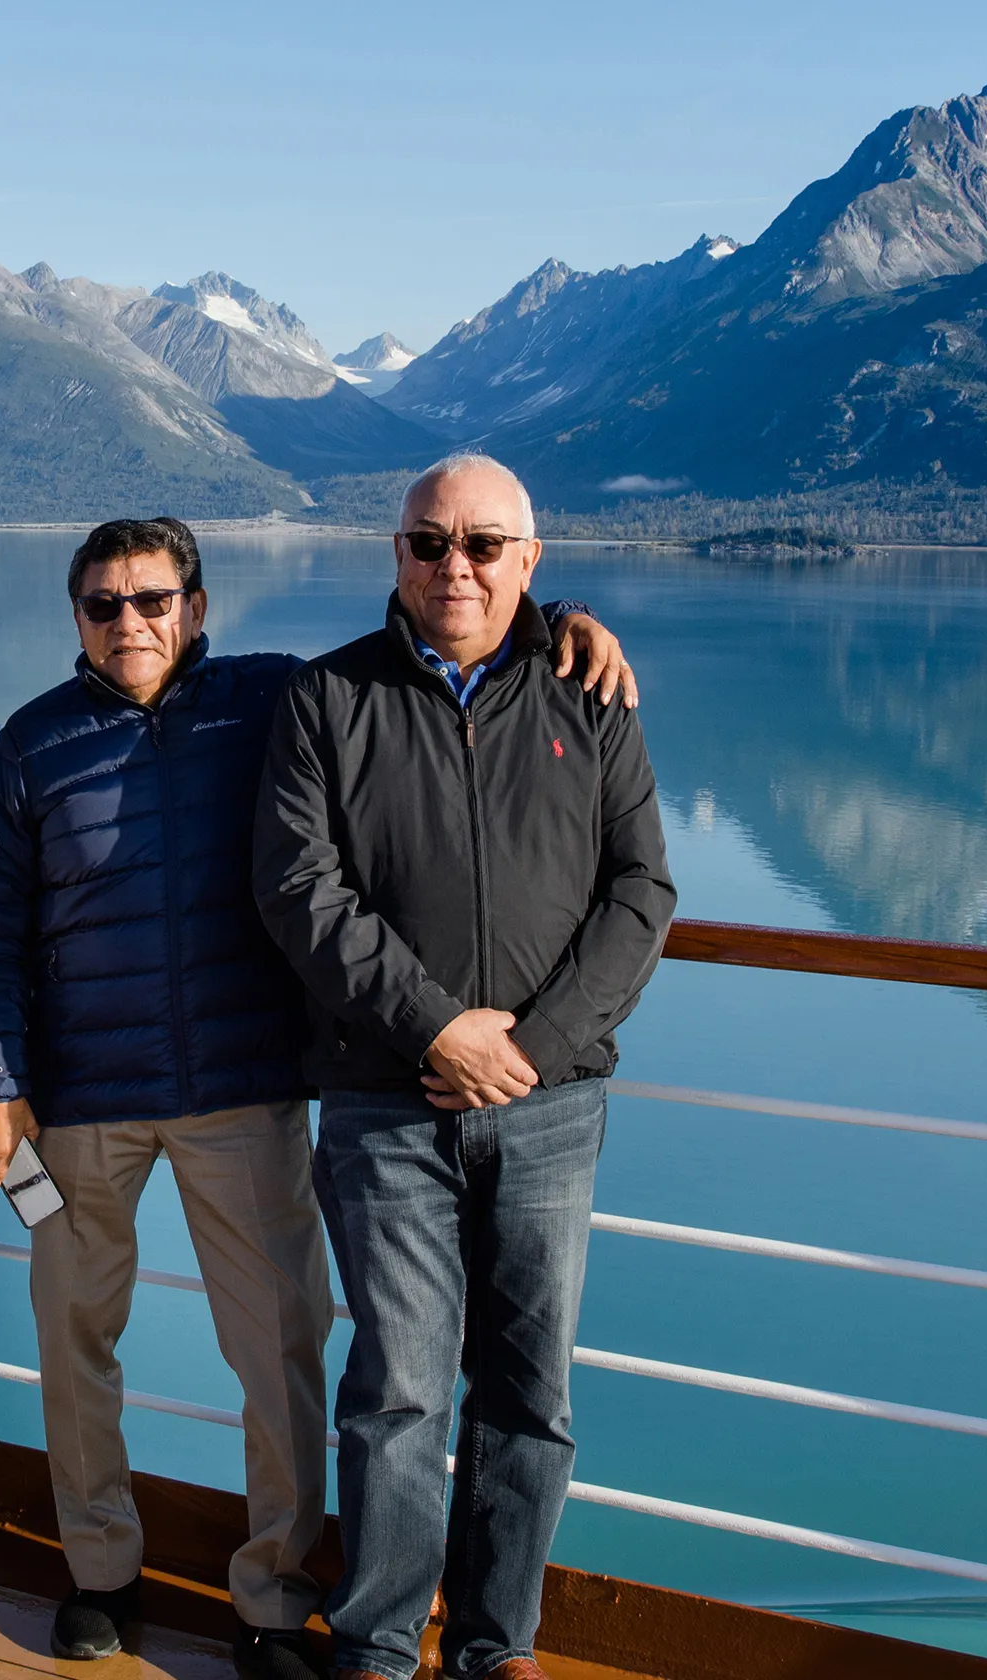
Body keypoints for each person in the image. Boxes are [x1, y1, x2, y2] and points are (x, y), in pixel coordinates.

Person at [0, 516, 634, 1676]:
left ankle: (272, 1590)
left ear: (198, 608)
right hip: (75, 1109)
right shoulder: (31, 744)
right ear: (76, 619)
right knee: (74, 1340)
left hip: (245, 1091)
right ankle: (100, 1572)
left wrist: (558, 619)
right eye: (105, 605)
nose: (131, 624)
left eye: (154, 600)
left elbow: (429, 630)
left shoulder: (272, 700)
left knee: (280, 1352)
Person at [252, 456, 676, 1680]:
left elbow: (643, 891)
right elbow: (299, 891)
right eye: (431, 543)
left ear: (531, 563)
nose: (457, 567)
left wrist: (529, 1052)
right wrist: (440, 1030)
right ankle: (378, 1647)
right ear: (395, 553)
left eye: (486, 546)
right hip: (385, 1099)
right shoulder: (326, 699)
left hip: (551, 1105)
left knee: (529, 1393)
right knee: (396, 1393)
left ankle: (499, 1646)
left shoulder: (588, 694)